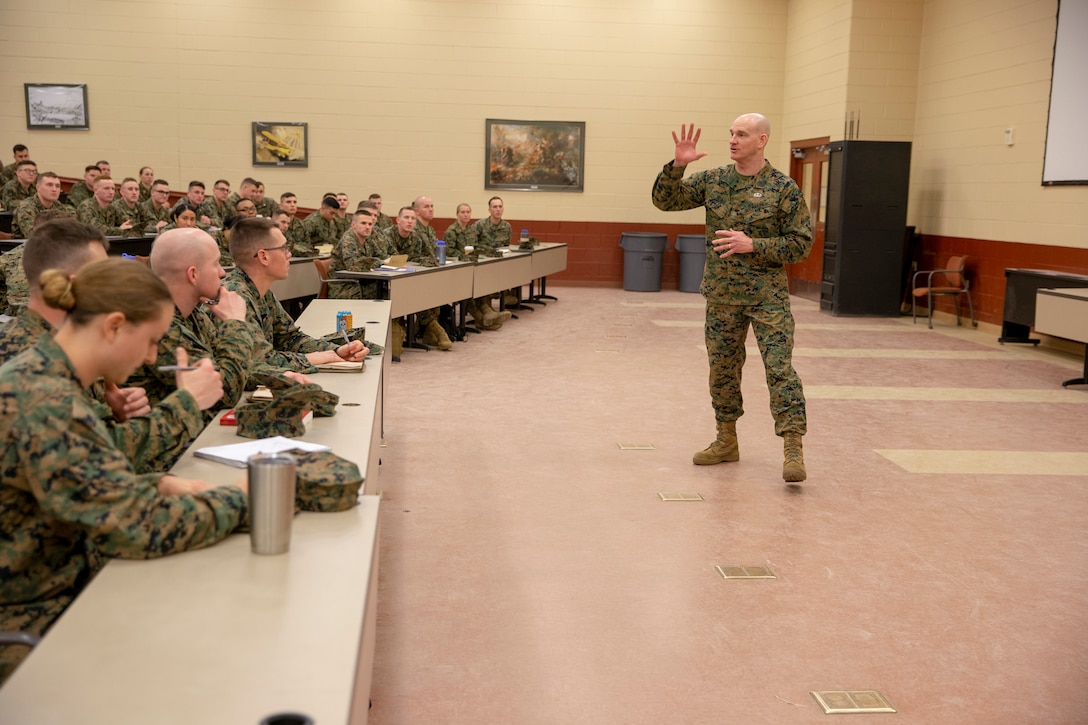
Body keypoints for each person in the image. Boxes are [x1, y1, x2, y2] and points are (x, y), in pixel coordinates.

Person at [0, 256, 247, 683]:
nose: (153, 357)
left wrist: (155, 482)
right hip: (40, 618)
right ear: (114, 326)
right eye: (150, 340)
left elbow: (77, 477)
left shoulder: (44, 378)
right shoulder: (45, 400)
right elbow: (138, 526)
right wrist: (245, 497)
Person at [651, 116, 813, 483]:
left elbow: (801, 244)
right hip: (722, 296)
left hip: (767, 298)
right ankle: (726, 441)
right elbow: (666, 201)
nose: (733, 140)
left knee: (779, 370)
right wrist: (677, 166)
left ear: (762, 140)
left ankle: (792, 447)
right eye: (731, 134)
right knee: (722, 371)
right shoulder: (714, 180)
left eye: (741, 135)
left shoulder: (782, 188)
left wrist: (754, 244)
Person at [0, 219, 207, 474]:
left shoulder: (65, 344)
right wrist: (186, 404)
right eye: (103, 275)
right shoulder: (24, 356)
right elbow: (94, 464)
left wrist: (113, 411)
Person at [126, 227, 265, 419]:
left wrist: (282, 376)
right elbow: (224, 392)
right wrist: (235, 323)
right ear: (193, 274)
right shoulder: (159, 324)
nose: (223, 273)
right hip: (175, 444)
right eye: (215, 264)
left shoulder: (192, 314)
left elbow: (227, 363)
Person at [223, 217, 367, 373]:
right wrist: (310, 359)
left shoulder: (261, 292)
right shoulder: (235, 297)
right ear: (264, 256)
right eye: (284, 248)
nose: (289, 254)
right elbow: (257, 362)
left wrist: (337, 351)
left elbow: (289, 339)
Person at [12, 172, 70, 239]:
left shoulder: (58, 206)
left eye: (57, 186)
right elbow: (33, 235)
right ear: (38, 187)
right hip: (25, 246)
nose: (54, 189)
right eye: (49, 185)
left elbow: (70, 228)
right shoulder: (26, 207)